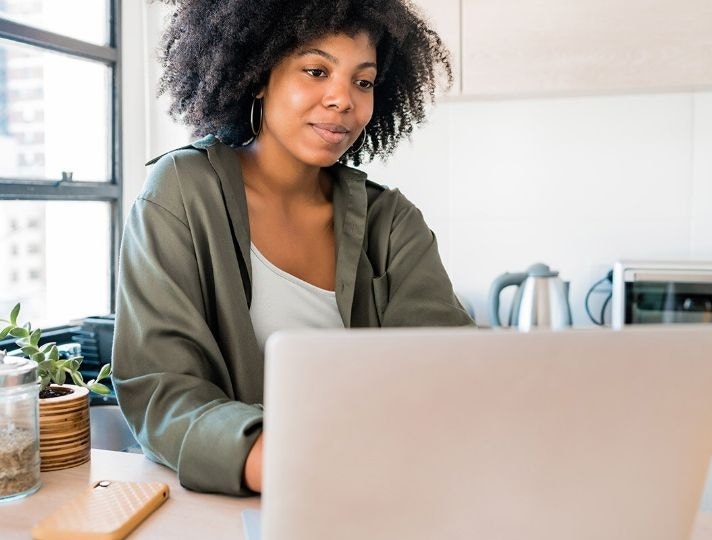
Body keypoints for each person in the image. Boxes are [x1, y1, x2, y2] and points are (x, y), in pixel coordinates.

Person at [112, 0, 476, 497]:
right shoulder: (181, 191)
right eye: (316, 70)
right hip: (243, 504)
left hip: (380, 492)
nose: (342, 99)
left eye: (362, 81)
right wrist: (283, 462)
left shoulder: (390, 222)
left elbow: (454, 372)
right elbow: (162, 388)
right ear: (259, 75)